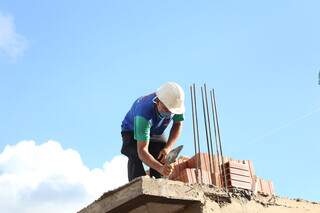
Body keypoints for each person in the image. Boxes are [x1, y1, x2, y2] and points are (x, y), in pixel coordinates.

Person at [121, 82, 185, 181]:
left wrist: (168, 148)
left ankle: (159, 183)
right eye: (165, 109)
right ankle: (137, 185)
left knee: (161, 154)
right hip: (132, 130)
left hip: (155, 130)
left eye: (170, 111)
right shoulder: (143, 112)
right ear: (157, 101)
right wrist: (160, 168)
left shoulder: (175, 105)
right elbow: (142, 150)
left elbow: (178, 124)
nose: (167, 113)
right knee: (135, 155)